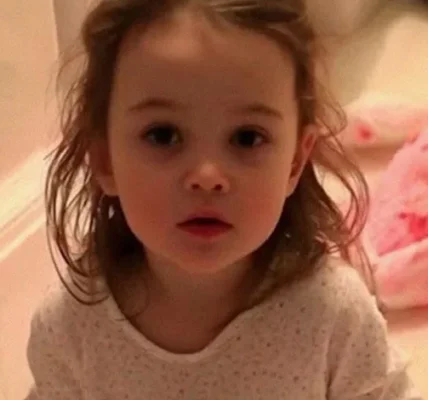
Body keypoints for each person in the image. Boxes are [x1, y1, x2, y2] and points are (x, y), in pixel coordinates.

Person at [25, 0, 422, 398]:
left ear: (295, 162)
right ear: (105, 159)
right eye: (163, 135)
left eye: (247, 138)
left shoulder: (334, 316)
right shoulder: (71, 327)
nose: (207, 177)